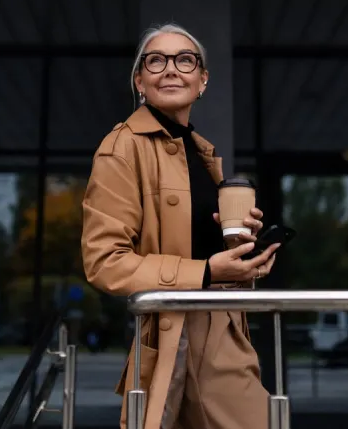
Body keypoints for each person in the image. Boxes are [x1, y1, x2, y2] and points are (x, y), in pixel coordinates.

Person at [81, 23, 281, 429]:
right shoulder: (121, 147)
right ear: (140, 80)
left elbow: (194, 243)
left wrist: (242, 254)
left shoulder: (199, 150)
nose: (171, 69)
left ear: (202, 79)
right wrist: (207, 271)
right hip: (183, 331)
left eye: (185, 60)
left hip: (222, 323)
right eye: (156, 60)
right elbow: (104, 262)